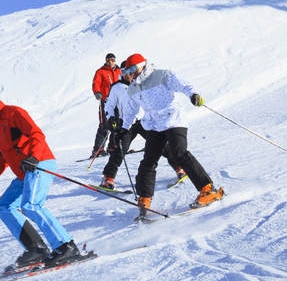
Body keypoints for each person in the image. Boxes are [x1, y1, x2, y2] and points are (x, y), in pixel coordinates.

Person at [0, 86, 81, 269]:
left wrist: (34, 157)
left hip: (40, 163)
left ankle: (65, 246)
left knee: (31, 205)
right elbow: (2, 158)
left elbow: (37, 134)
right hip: (24, 173)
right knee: (4, 206)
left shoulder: (14, 113)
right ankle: (36, 249)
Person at [122, 53, 224, 218]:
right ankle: (144, 199)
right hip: (154, 124)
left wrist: (193, 95)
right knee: (148, 161)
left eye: (133, 69)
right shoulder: (133, 88)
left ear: (142, 66)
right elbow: (130, 111)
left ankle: (208, 189)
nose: (130, 73)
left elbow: (183, 84)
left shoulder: (161, 75)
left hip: (173, 119)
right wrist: (123, 128)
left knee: (179, 153)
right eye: (127, 71)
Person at [99, 57, 188, 191]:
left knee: (162, 146)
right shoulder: (117, 87)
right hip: (127, 124)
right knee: (120, 150)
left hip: (144, 121)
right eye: (124, 73)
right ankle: (108, 178)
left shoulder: (142, 84)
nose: (128, 75)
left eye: (129, 72)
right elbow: (109, 105)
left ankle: (179, 168)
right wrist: (111, 118)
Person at [89, 53, 122, 157]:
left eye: (112, 60)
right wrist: (97, 92)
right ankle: (98, 150)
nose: (110, 62)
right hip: (106, 101)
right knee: (105, 125)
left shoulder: (119, 71)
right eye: (108, 60)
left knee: (117, 123)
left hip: (118, 101)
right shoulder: (101, 71)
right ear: (106, 61)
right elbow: (96, 83)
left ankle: (113, 146)